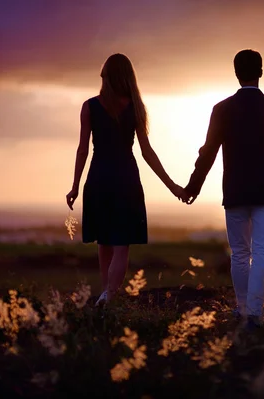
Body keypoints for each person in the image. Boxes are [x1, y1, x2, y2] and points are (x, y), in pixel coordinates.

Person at [184, 49, 264, 328]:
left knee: (240, 253)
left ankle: (242, 308)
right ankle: (255, 315)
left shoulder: (222, 109)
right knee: (261, 254)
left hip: (235, 192)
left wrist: (192, 187)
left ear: (236, 73)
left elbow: (208, 152)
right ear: (261, 71)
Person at [66, 53, 187, 305]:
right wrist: (172, 185)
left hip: (98, 177)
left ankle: (106, 295)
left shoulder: (90, 106)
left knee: (105, 241)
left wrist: (75, 186)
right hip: (126, 178)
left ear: (106, 77)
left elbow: (82, 150)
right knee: (121, 245)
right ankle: (110, 295)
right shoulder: (135, 107)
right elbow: (147, 152)